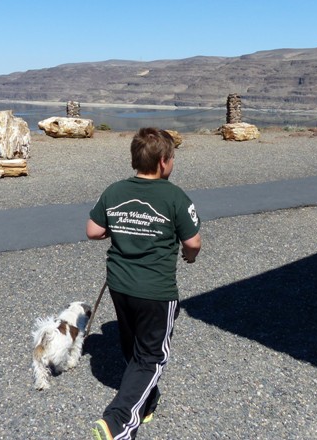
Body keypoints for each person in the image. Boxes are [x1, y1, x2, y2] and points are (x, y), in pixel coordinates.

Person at [87, 127, 202, 440]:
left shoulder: (113, 191)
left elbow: (93, 230)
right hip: (156, 291)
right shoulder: (175, 196)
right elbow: (192, 241)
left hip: (120, 285)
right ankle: (117, 423)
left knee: (133, 346)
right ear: (163, 162)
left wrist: (123, 228)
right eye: (172, 159)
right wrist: (189, 257)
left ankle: (147, 402)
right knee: (151, 357)